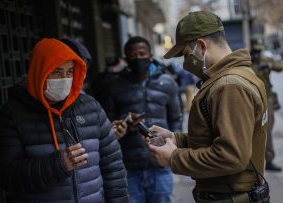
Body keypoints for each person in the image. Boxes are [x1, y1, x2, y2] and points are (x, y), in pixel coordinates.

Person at [148, 11, 269, 203]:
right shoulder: (235, 76)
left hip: (230, 197)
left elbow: (231, 155)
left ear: (202, 46)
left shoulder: (230, 85)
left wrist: (175, 158)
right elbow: (220, 136)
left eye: (186, 54)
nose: (186, 63)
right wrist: (176, 139)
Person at [0, 38, 129, 203]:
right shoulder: (13, 114)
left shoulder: (91, 107)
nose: (64, 79)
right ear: (39, 71)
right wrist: (57, 165)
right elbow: (4, 175)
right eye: (56, 71)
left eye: (70, 72)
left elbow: (113, 167)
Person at [95, 36, 183, 203]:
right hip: (128, 167)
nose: (137, 58)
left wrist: (173, 147)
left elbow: (176, 118)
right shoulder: (113, 86)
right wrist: (125, 122)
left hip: (160, 166)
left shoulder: (167, 82)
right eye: (132, 55)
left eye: (142, 53)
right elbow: (106, 122)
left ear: (150, 55)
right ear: (126, 58)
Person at [251, 35, 283, 171]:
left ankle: (268, 159)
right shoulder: (248, 59)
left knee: (268, 127)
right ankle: (256, 159)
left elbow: (279, 67)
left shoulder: (265, 58)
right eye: (256, 50)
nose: (258, 52)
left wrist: (268, 65)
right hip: (254, 97)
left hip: (267, 96)